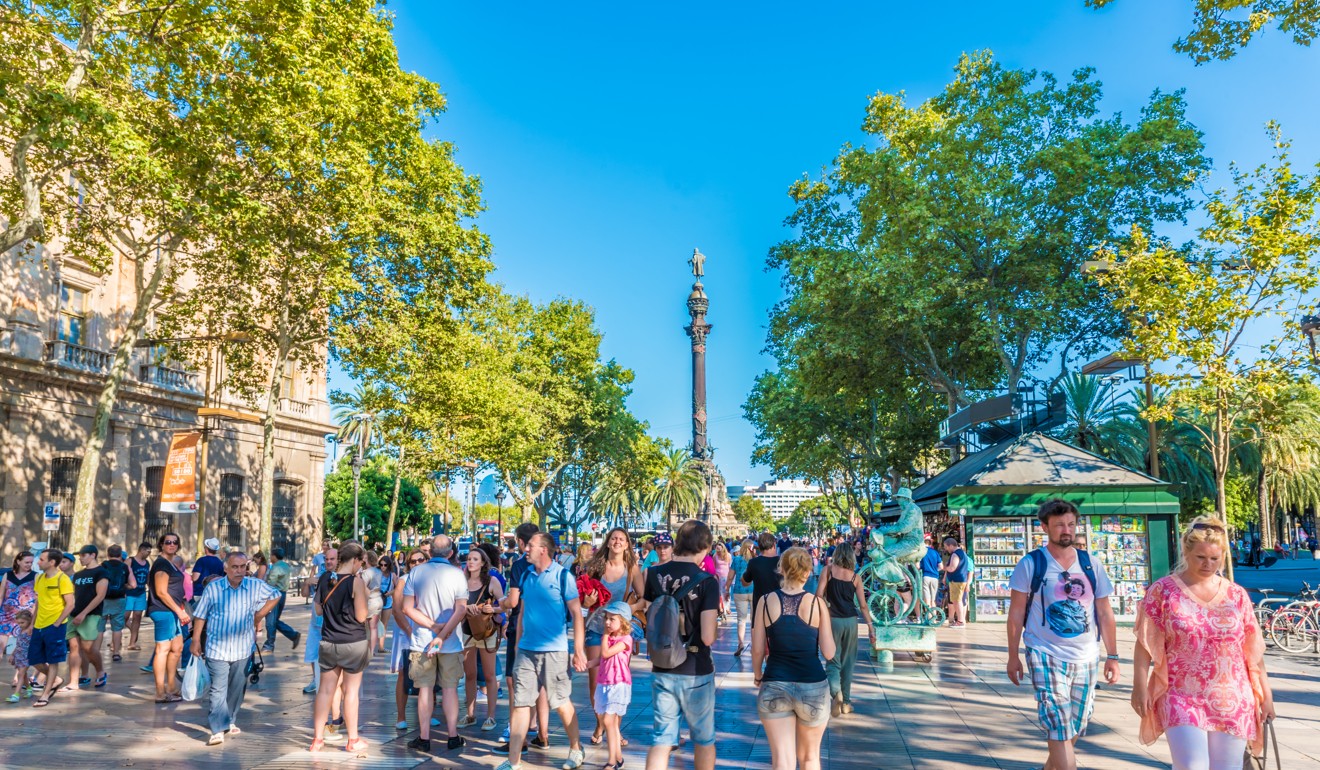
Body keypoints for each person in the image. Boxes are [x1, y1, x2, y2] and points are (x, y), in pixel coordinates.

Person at [1131, 517, 1276, 770]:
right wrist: (1139, 686)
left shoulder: (1236, 595)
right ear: (1186, 551)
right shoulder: (1162, 591)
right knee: (1191, 766)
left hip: (1232, 696)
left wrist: (1266, 696)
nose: (1208, 564)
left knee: (1226, 768)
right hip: (1180, 693)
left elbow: (1253, 651)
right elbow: (1145, 643)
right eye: (1201, 557)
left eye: (1215, 558)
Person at [1006, 499, 1120, 770]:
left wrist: (1112, 656)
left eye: (1071, 524)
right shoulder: (1030, 564)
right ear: (1044, 527)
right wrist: (1013, 657)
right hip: (1044, 652)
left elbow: (1104, 612)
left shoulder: (1092, 565)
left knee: (1076, 724)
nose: (1067, 530)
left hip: (1087, 656)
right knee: (1057, 722)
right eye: (1059, 525)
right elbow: (1015, 614)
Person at [498, 532, 588, 770]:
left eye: (530, 545)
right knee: (520, 704)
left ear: (544, 550)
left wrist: (578, 650)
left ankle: (576, 748)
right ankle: (514, 761)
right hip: (526, 651)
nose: (525, 548)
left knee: (560, 702)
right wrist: (517, 644)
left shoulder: (562, 577)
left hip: (554, 652)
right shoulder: (526, 575)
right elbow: (523, 611)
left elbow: (577, 614)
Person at [643, 520, 720, 770]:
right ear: (705, 547)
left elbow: (648, 615)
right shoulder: (707, 581)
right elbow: (708, 636)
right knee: (704, 740)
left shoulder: (654, 575)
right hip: (695, 668)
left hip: (662, 666)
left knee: (662, 740)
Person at [754, 546, 835, 770]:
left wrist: (758, 675)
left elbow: (758, 649)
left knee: (782, 760)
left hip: (775, 682)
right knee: (810, 758)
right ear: (808, 572)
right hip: (813, 686)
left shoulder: (765, 601)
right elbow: (829, 653)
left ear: (781, 569)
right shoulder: (818, 604)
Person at [191, 551, 280, 746]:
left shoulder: (254, 585)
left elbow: (276, 594)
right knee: (218, 689)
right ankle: (217, 729)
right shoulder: (213, 588)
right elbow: (200, 615)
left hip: (242, 648)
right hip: (217, 648)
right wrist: (196, 640)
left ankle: (229, 719)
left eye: (243, 567)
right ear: (226, 568)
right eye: (235, 567)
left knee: (237, 687)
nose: (239, 571)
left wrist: (259, 615)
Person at [402, 535, 470, 753]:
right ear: (450, 553)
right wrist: (445, 630)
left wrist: (433, 627)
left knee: (425, 689)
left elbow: (407, 608)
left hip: (423, 641)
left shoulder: (416, 572)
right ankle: (452, 736)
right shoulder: (458, 574)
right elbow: (461, 609)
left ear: (430, 551)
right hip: (450, 641)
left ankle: (424, 737)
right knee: (450, 689)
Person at [582, 527, 645, 746]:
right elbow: (581, 598)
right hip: (595, 628)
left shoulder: (631, 569)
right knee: (596, 682)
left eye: (622, 539)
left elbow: (643, 600)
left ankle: (614, 730)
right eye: (614, 538)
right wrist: (586, 603)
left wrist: (629, 608)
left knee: (617, 680)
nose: (618, 542)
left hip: (619, 634)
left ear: (627, 545)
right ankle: (601, 723)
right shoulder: (595, 567)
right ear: (608, 542)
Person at [494, 522, 551, 752]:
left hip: (521, 626)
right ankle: (542, 734)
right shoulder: (550, 565)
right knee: (540, 683)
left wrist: (499, 606)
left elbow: (514, 601)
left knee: (514, 682)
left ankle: (517, 736)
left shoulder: (519, 565)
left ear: (520, 541)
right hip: (546, 628)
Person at [309, 543, 370, 754]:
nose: (360, 566)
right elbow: (362, 616)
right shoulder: (356, 582)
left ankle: (317, 739)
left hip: (328, 641)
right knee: (350, 692)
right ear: (354, 560)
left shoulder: (326, 578)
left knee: (325, 690)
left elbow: (318, 609)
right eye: (360, 562)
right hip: (353, 642)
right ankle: (353, 740)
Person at [817, 542, 872, 717]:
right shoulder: (856, 577)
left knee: (833, 661)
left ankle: (836, 693)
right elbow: (863, 606)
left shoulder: (828, 571)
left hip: (831, 621)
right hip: (851, 621)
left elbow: (818, 596)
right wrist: (870, 627)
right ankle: (846, 703)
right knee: (848, 662)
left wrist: (825, 607)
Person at [461, 546, 505, 731]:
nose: (471, 562)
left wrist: (492, 609)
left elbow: (505, 606)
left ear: (483, 563)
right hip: (466, 630)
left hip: (487, 631)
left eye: (475, 559)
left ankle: (491, 716)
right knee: (469, 674)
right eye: (469, 559)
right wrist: (465, 608)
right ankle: (470, 714)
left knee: (489, 675)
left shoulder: (492, 581)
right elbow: (454, 605)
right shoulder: (460, 582)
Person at [147, 533, 191, 703]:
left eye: (175, 542)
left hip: (173, 611)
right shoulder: (161, 565)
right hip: (163, 611)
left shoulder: (170, 563)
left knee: (177, 648)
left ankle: (172, 687)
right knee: (163, 649)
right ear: (161, 545)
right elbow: (161, 592)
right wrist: (179, 611)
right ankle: (160, 691)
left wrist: (180, 610)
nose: (172, 544)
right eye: (168, 542)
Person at [29, 548, 74, 708]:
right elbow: (38, 602)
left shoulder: (62, 579)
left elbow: (70, 604)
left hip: (55, 626)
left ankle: (46, 694)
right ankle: (55, 679)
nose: (38, 562)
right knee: (34, 659)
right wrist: (31, 624)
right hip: (39, 625)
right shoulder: (40, 578)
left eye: (41, 559)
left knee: (53, 660)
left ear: (52, 562)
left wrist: (58, 622)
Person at [594, 601, 635, 770]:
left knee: (610, 720)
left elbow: (606, 653)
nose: (607, 623)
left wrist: (604, 635)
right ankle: (619, 758)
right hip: (604, 682)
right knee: (608, 721)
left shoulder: (625, 639)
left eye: (612, 619)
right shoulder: (610, 638)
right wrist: (587, 664)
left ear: (623, 622)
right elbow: (602, 659)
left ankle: (611, 761)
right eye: (607, 619)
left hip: (618, 684)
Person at [65, 544, 109, 691]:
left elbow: (100, 595)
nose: (81, 559)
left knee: (88, 648)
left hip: (90, 615)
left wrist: (83, 613)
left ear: (93, 555)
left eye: (83, 555)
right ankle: (74, 681)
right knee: (74, 647)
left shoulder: (101, 572)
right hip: (73, 615)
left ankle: (100, 671)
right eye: (80, 556)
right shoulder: (77, 575)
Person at [390, 549, 424, 730]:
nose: (417, 563)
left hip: (425, 631)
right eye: (413, 561)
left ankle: (427, 713)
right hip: (406, 633)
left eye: (421, 560)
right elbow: (396, 610)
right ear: (408, 564)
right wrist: (410, 631)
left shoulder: (429, 580)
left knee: (427, 673)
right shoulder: (403, 581)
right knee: (404, 673)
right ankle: (401, 716)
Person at [0, 551, 36, 671]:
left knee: (21, 648)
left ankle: (18, 676)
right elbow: (1, 595)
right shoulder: (8, 575)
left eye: (31, 562)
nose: (29, 564)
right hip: (5, 615)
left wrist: (33, 616)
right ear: (18, 561)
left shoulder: (35, 576)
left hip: (24, 616)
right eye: (26, 562)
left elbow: (37, 598)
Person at [261, 546, 301, 653]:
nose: (270, 557)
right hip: (282, 594)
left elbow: (271, 583)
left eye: (271, 555)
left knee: (270, 621)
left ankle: (269, 644)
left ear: (274, 556)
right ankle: (293, 635)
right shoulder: (286, 566)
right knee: (274, 621)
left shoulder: (276, 567)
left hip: (274, 595)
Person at [100, 544, 133, 662]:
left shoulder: (103, 565)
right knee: (117, 628)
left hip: (104, 599)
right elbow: (133, 584)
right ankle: (116, 652)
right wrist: (125, 587)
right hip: (119, 599)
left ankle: (96, 651)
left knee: (100, 627)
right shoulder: (125, 567)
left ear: (108, 554)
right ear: (120, 555)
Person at [742, 532, 781, 614]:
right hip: (779, 605)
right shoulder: (782, 561)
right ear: (774, 545)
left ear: (759, 546)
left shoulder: (753, 562)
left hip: (760, 605)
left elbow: (745, 582)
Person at [729, 540, 755, 656]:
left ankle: (740, 643)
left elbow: (730, 577)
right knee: (755, 620)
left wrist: (726, 589)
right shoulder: (755, 560)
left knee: (741, 620)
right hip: (755, 590)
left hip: (739, 590)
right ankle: (755, 644)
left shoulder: (737, 559)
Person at [125, 543, 151, 651]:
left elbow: (147, 577)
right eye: (148, 551)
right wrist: (125, 586)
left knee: (137, 617)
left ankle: (132, 643)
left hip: (141, 592)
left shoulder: (147, 563)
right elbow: (123, 574)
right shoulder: (130, 561)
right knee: (124, 617)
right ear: (141, 550)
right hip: (129, 593)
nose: (149, 554)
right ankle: (114, 642)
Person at [941, 536, 970, 627]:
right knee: (957, 600)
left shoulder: (955, 554)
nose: (946, 549)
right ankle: (960, 621)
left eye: (946, 547)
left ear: (950, 545)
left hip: (956, 580)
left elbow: (952, 568)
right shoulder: (962, 553)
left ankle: (960, 621)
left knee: (957, 601)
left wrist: (944, 568)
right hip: (960, 579)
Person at [360, 551, 384, 656]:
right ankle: (372, 650)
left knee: (363, 626)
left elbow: (362, 587)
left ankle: (365, 649)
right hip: (378, 598)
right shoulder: (378, 571)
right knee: (373, 627)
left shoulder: (366, 573)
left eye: (364, 558)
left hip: (370, 600)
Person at [6, 609, 33, 702]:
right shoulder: (21, 631)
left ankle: (16, 695)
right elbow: (18, 644)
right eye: (18, 623)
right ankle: (29, 688)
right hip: (19, 655)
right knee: (23, 675)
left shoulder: (31, 631)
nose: (20, 625)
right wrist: (12, 654)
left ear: (29, 621)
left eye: (22, 622)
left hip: (27, 656)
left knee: (20, 674)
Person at [918, 537, 942, 614]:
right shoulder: (935, 552)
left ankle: (928, 618)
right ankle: (934, 619)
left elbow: (917, 566)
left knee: (927, 599)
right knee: (933, 599)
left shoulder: (921, 552)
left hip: (925, 576)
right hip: (935, 577)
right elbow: (941, 567)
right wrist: (934, 570)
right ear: (930, 543)